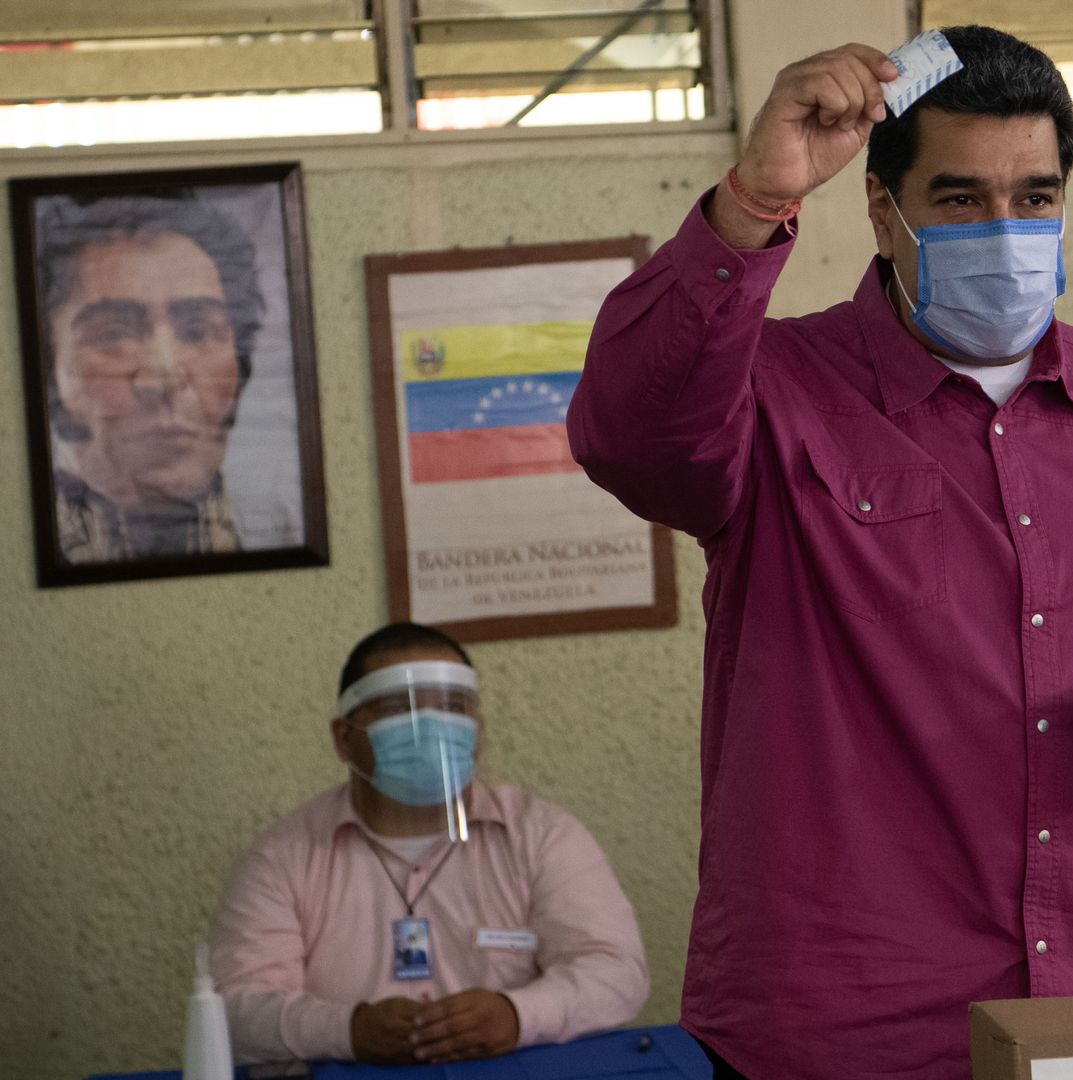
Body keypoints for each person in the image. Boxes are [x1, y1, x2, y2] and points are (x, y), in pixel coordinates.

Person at [568, 25, 1073, 1079]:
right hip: (854, 1031)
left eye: (1035, 198)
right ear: (885, 209)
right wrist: (751, 202)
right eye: (961, 199)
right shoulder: (772, 395)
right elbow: (625, 435)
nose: (1004, 229)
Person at [207, 622, 649, 1065]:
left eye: (454, 706)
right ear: (344, 738)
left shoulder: (543, 834)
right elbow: (236, 1008)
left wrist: (518, 1015)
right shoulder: (282, 856)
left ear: (478, 728)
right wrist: (346, 1029)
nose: (432, 727)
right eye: (400, 707)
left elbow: (617, 974)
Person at [35, 193, 263, 563]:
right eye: (114, 335)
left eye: (198, 331)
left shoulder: (274, 527)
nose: (164, 375)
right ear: (50, 373)